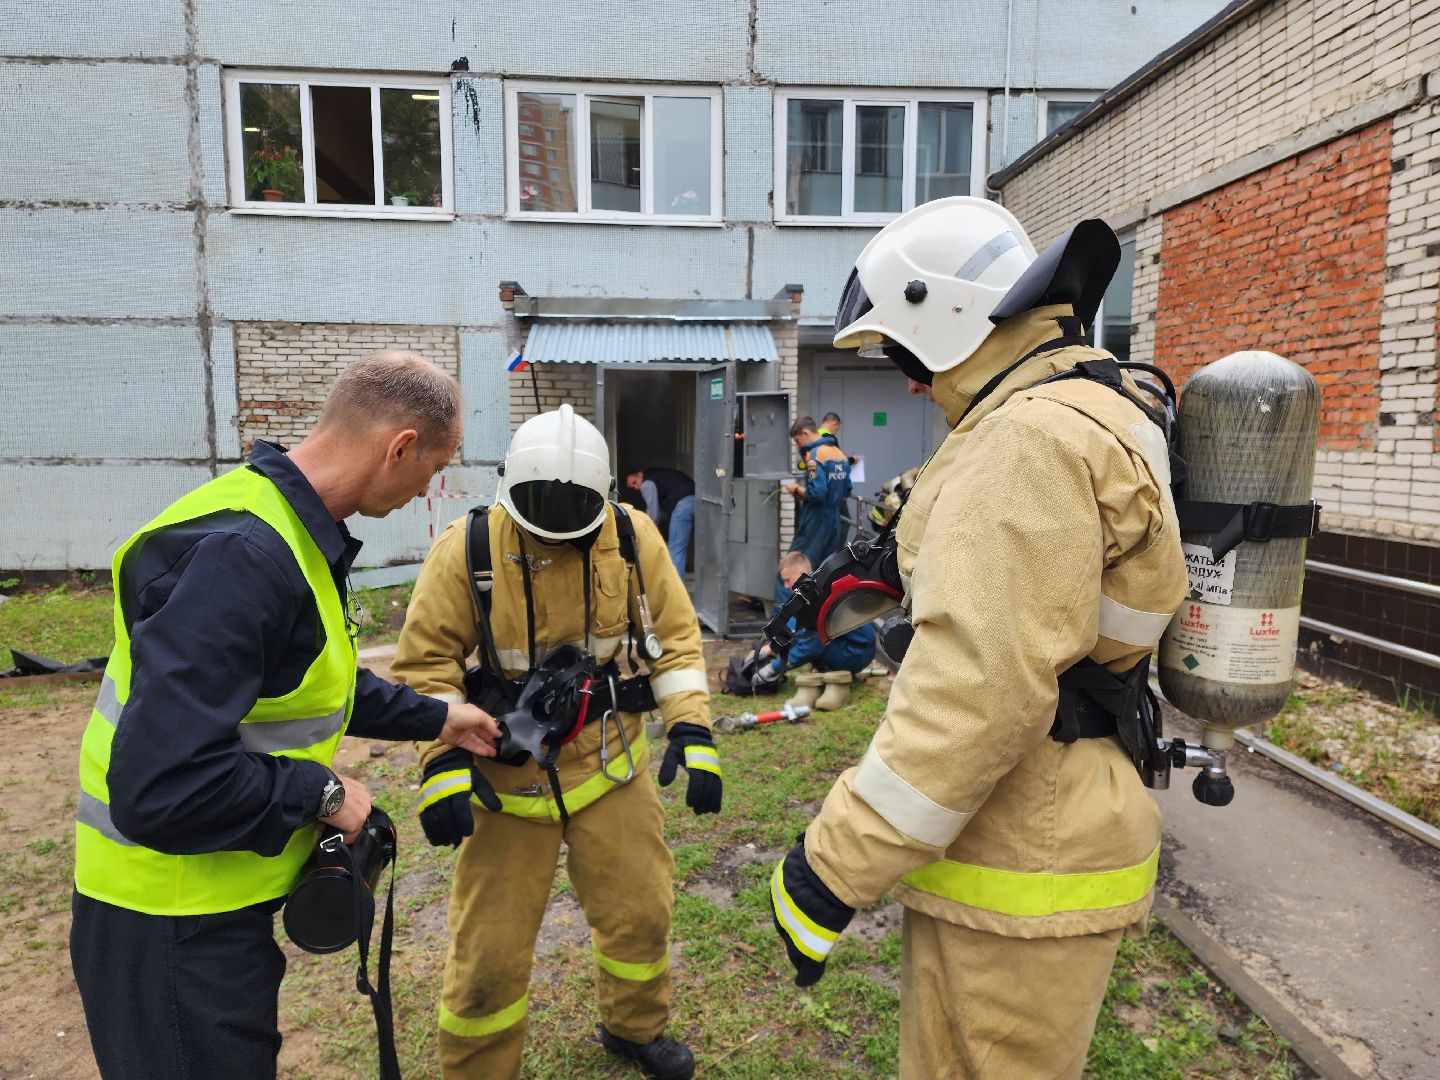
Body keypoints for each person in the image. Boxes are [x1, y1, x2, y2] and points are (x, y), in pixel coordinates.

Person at [766, 197, 1186, 1078]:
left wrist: (826, 869)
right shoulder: (1094, 400)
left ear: (948, 315)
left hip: (1025, 852)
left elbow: (978, 690)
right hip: (1056, 823)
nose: (911, 382)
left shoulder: (1024, 443)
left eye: (903, 353)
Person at [70, 352, 502, 1080]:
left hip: (208, 904)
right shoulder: (244, 557)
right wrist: (325, 795)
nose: (432, 487)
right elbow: (160, 787)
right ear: (399, 447)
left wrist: (440, 717)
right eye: (435, 466)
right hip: (168, 922)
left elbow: (304, 684)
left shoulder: (277, 522)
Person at [393, 404, 716, 1080]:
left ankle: (635, 1028)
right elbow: (427, 666)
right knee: (490, 950)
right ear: (509, 486)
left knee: (641, 912)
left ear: (604, 498)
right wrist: (443, 764)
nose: (560, 527)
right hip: (505, 775)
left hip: (610, 760)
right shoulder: (470, 547)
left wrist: (691, 725)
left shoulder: (630, 538)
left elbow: (677, 641)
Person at [757, 551, 875, 710]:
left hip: (856, 652)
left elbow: (809, 646)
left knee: (810, 647)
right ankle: (831, 669)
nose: (785, 586)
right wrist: (770, 649)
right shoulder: (815, 586)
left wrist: (773, 668)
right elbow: (797, 628)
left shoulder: (815, 597)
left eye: (787, 580)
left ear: (800, 574)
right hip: (855, 645)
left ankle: (838, 676)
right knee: (804, 640)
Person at [784, 416, 851, 571]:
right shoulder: (839, 454)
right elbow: (847, 491)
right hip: (834, 521)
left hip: (816, 520)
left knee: (793, 566)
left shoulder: (814, 455)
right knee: (823, 570)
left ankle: (788, 595)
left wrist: (797, 489)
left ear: (805, 432)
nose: (797, 445)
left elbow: (817, 493)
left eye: (797, 441)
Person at [624, 466, 696, 578]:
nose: (637, 487)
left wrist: (645, 533)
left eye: (634, 482)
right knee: (681, 547)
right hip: (696, 499)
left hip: (683, 504)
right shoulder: (659, 475)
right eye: (633, 487)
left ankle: (676, 591)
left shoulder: (647, 483)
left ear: (639, 474)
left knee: (675, 549)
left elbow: (653, 515)